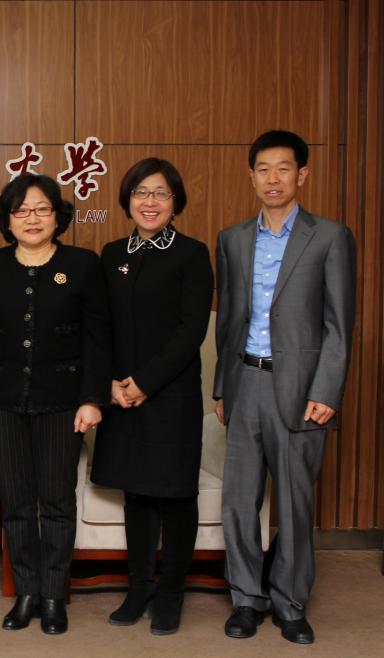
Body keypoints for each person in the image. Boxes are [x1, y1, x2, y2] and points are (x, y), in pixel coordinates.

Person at [215, 130, 355, 645]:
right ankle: (246, 599)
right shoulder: (232, 239)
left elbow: (339, 324)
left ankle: (290, 604)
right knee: (238, 501)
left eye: (284, 168)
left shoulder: (330, 237)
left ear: (302, 175)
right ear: (251, 176)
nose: (273, 179)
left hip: (301, 389)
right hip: (244, 381)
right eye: (263, 169)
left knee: (294, 504)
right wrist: (222, 388)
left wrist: (327, 391)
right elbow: (228, 320)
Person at [0, 174, 109, 634]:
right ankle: (26, 591)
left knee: (57, 501)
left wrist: (92, 398)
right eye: (21, 210)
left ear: (58, 216)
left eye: (42, 209)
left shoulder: (82, 265)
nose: (32, 218)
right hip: (2, 401)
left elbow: (97, 339)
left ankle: (53, 595)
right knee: (17, 501)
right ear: (7, 220)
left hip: (63, 402)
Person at [90, 158, 214, 635]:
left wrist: (145, 382)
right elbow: (100, 325)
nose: (150, 201)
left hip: (170, 395)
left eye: (161, 193)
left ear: (175, 202)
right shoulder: (111, 253)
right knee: (136, 494)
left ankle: (170, 594)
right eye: (141, 192)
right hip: (121, 395)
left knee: (176, 495)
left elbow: (191, 330)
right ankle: (139, 588)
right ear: (127, 200)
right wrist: (111, 383)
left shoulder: (191, 253)